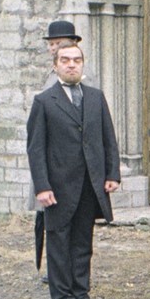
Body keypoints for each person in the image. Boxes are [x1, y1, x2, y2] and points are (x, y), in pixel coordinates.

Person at [27, 39, 120, 299]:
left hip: (90, 186)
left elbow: (108, 138)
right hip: (57, 189)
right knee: (58, 245)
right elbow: (35, 149)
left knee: (82, 244)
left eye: (76, 60)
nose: (71, 65)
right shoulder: (44, 101)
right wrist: (42, 186)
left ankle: (82, 296)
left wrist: (112, 174)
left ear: (82, 64)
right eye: (65, 60)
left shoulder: (95, 97)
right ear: (55, 66)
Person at [30, 21, 97, 284]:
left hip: (79, 172)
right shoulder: (50, 82)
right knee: (54, 228)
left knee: (79, 235)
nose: (54, 47)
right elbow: (38, 137)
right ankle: (57, 274)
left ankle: (74, 281)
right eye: (52, 44)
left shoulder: (86, 83)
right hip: (53, 169)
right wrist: (42, 182)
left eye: (58, 43)